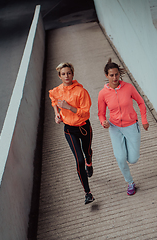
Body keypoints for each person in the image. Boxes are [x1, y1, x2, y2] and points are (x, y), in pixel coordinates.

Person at [98, 58, 149, 195]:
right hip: (115, 127)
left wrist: (144, 119)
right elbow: (101, 113)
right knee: (120, 158)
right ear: (106, 76)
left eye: (116, 74)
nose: (115, 78)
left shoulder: (128, 88)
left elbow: (141, 102)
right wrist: (104, 122)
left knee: (133, 159)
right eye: (111, 75)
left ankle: (127, 149)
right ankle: (130, 182)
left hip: (131, 125)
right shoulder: (103, 93)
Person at [49, 62, 95, 204]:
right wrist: (57, 114)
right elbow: (54, 101)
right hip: (69, 130)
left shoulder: (81, 91)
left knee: (87, 152)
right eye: (63, 74)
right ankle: (87, 193)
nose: (66, 76)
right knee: (78, 160)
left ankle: (90, 162)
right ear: (59, 76)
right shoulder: (57, 90)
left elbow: (85, 112)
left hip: (83, 127)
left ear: (73, 74)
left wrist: (68, 107)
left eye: (69, 73)